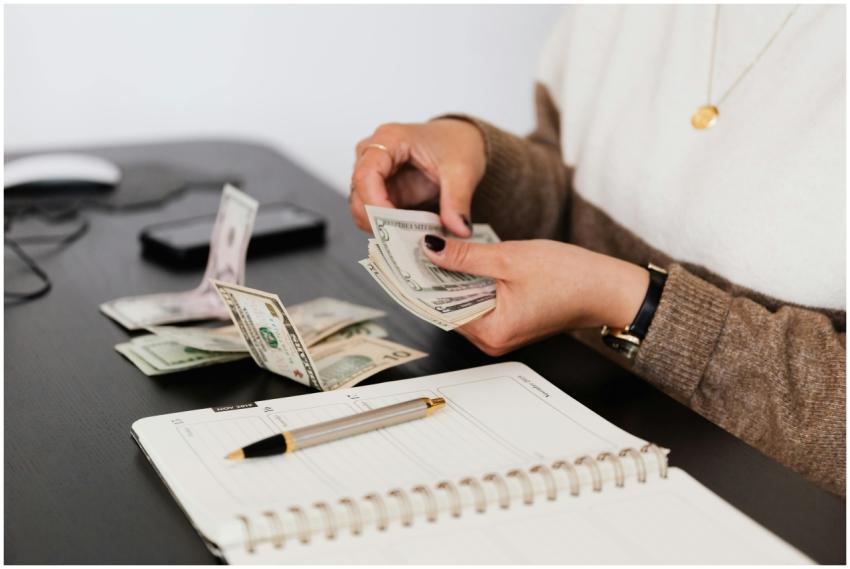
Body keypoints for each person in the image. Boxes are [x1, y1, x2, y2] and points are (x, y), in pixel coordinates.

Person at [348, 5, 845, 495]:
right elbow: (576, 185)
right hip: (561, 432)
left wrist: (635, 305)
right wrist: (481, 162)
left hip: (758, 504)